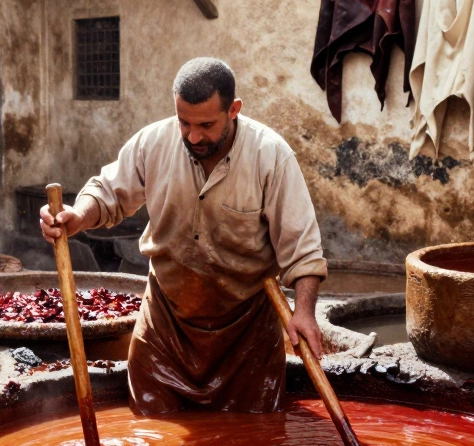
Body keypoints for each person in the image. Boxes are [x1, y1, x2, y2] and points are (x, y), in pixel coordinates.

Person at [40, 58, 327, 414]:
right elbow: (108, 192)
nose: (193, 136)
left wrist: (304, 311)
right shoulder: (153, 143)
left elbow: (303, 250)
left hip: (246, 329)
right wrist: (77, 216)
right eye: (184, 122)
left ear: (234, 110)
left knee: (251, 440)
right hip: (166, 322)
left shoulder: (271, 156)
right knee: (151, 428)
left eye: (206, 125)